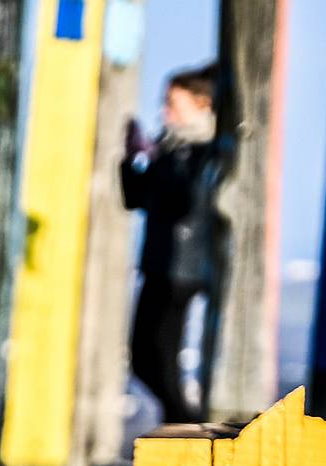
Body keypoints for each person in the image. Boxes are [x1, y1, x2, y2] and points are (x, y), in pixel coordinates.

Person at [122, 65, 228, 425]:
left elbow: (184, 201)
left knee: (162, 357)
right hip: (157, 264)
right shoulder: (171, 148)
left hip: (183, 269)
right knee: (141, 358)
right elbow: (134, 198)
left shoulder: (205, 150)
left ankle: (184, 424)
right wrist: (132, 160)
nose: (164, 112)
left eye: (172, 103)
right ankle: (178, 421)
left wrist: (159, 162)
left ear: (202, 104)